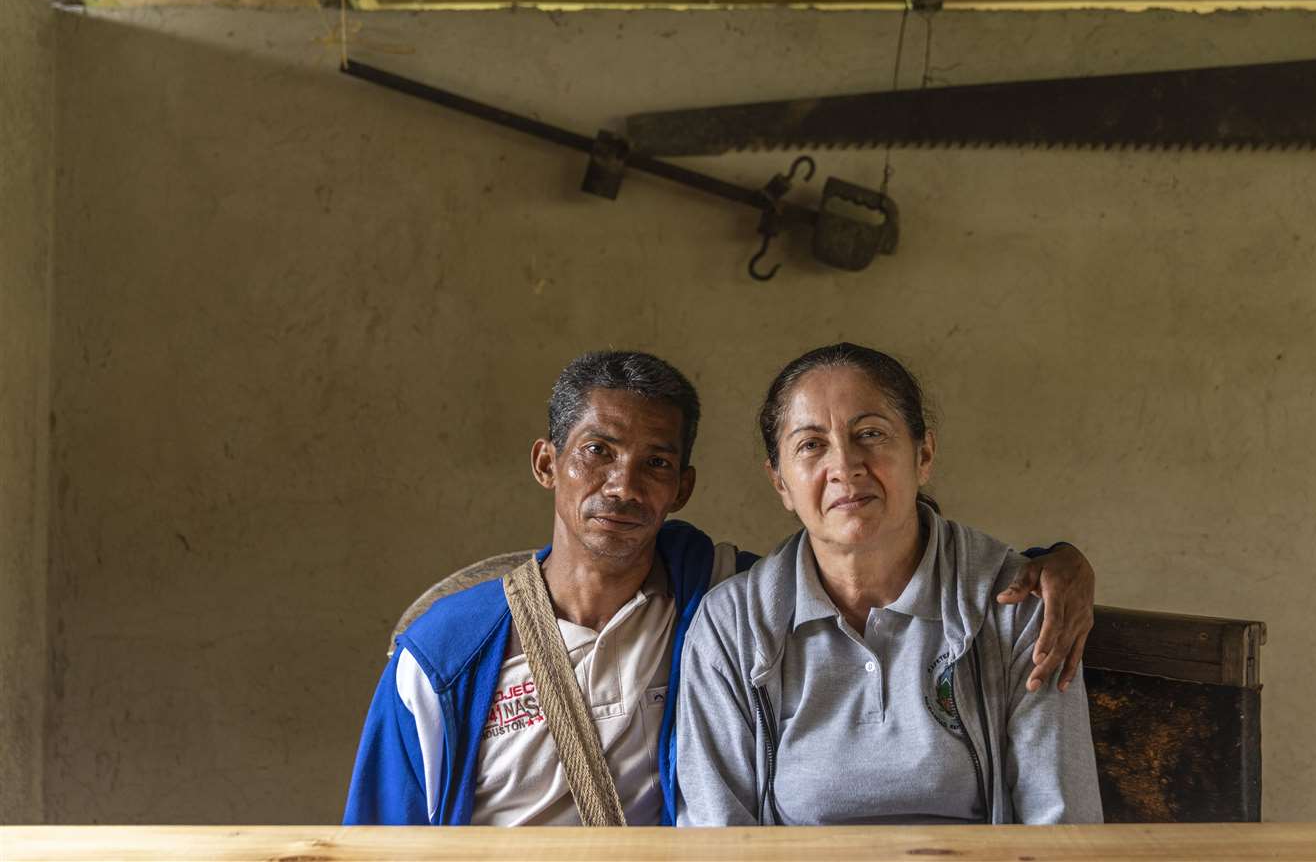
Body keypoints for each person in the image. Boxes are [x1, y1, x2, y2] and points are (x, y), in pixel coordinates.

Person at [343, 350, 1097, 826]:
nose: (622, 486)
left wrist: (1059, 560)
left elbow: (867, 543)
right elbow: (376, 835)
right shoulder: (446, 654)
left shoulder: (712, 594)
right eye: (595, 453)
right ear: (547, 463)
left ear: (684, 487)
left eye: (656, 465)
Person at [677, 343, 1104, 826]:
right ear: (780, 483)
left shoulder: (1017, 606)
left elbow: (1061, 829)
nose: (845, 466)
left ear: (923, 455)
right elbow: (718, 840)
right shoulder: (732, 627)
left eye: (871, 434)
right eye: (811, 445)